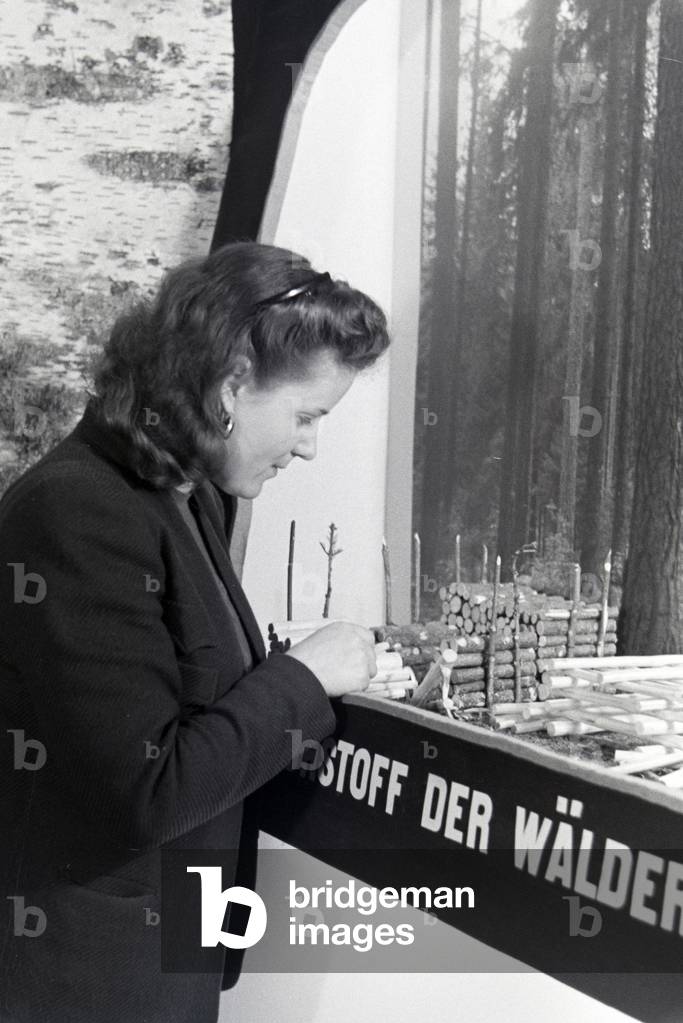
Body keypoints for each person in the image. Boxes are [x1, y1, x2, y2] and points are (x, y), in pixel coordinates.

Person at [0, 241, 391, 1022]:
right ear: (231, 383)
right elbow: (145, 791)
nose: (310, 444)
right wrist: (304, 680)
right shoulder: (79, 512)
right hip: (78, 981)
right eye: (306, 415)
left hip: (158, 963)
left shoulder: (185, 496)